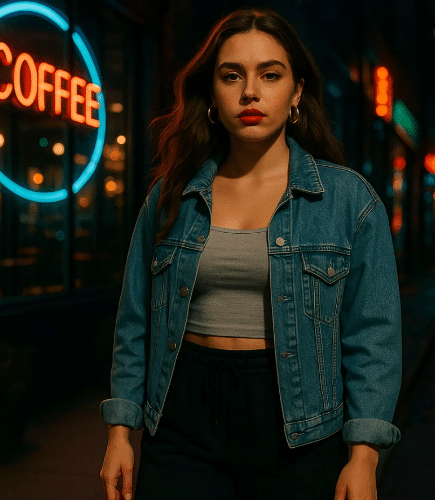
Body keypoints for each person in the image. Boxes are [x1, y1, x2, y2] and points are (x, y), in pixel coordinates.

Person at [99, 6, 401, 500]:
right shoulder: (173, 195)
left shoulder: (347, 201)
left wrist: (364, 456)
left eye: (270, 74)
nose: (250, 92)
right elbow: (135, 320)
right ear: (212, 94)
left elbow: (374, 335)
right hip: (181, 419)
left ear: (297, 91)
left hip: (297, 426)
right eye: (232, 75)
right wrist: (120, 433)